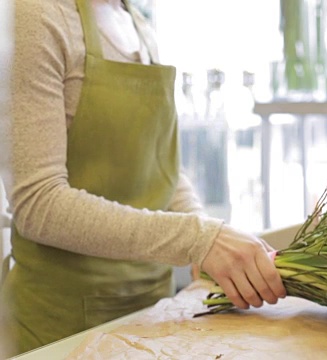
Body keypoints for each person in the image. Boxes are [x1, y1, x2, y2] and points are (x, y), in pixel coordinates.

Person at [0, 0, 286, 356]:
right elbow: (38, 203)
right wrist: (198, 239)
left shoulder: (138, 25)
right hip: (62, 325)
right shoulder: (37, 17)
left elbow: (162, 171)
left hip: (152, 313)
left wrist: (206, 232)